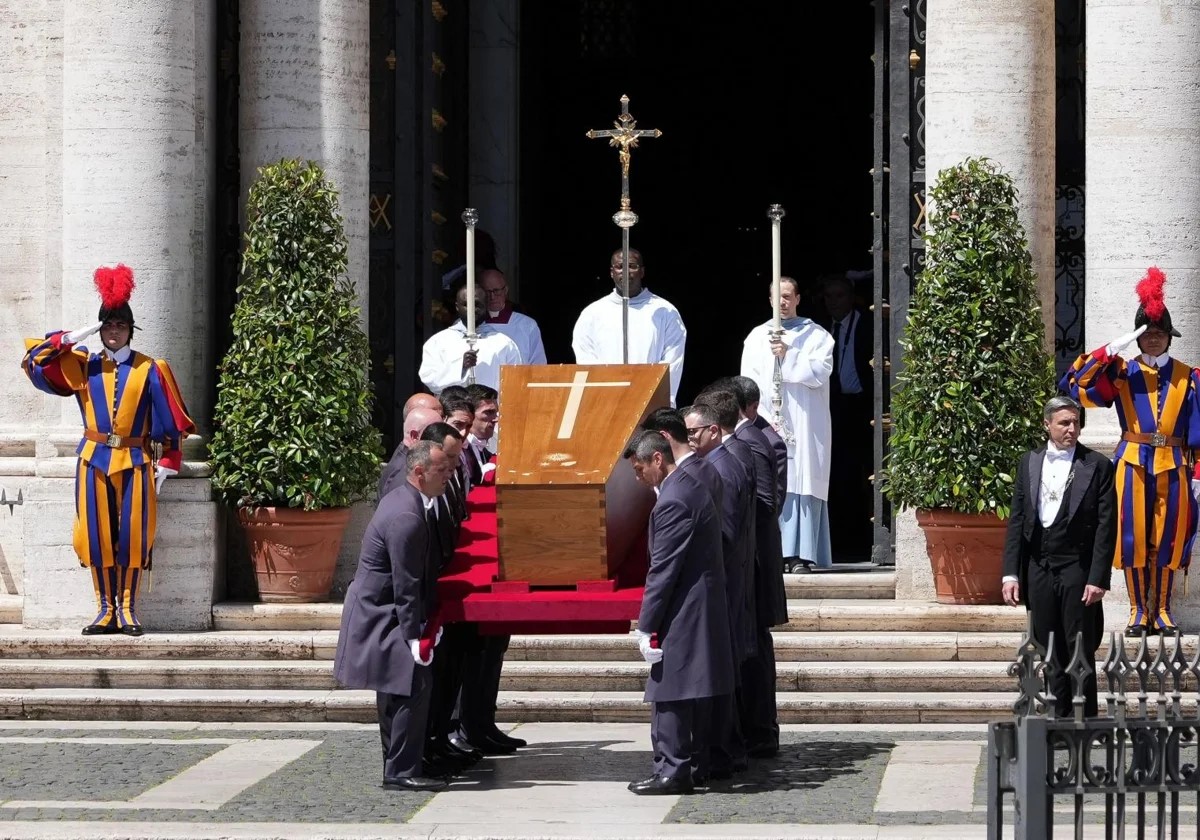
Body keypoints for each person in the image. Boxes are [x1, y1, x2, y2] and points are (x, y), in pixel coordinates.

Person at [22, 264, 196, 636]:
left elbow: (171, 421)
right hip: (94, 459)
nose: (113, 332)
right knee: (96, 535)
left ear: (130, 329)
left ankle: (128, 608)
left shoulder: (152, 368)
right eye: (107, 326)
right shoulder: (82, 366)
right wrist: (74, 335)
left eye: (119, 325)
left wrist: (168, 462)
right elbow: (34, 361)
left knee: (134, 535)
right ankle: (105, 609)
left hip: (136, 460)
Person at [1061, 267, 1200, 635]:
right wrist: (1110, 349)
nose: (1153, 340)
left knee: (1169, 537)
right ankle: (1140, 610)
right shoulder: (1122, 371)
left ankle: (1164, 611)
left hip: (1174, 465)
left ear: (1169, 337)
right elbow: (1076, 387)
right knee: (1133, 536)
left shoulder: (1190, 376)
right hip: (1133, 463)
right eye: (1147, 334)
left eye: (1159, 333)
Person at [333, 440, 450, 790]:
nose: (448, 476)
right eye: (441, 471)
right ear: (419, 472)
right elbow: (406, 581)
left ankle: (397, 766)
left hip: (383, 609)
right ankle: (401, 771)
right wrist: (415, 636)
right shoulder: (407, 515)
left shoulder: (407, 501)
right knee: (412, 685)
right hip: (383, 612)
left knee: (396, 687)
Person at [623, 431, 734, 795]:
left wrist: (646, 624)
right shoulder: (688, 483)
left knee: (668, 689)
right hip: (698, 602)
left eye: (640, 469)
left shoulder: (673, 499)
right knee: (691, 688)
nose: (638, 478)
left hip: (684, 607)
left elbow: (663, 569)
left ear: (658, 459)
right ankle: (693, 764)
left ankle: (672, 770)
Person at [1001, 397, 1116, 716]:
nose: (1072, 428)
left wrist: (1098, 578)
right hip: (1039, 566)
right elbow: (1017, 519)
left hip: (1077, 568)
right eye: (1064, 422)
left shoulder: (1098, 465)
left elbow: (1107, 527)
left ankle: (1084, 718)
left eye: (1076, 422)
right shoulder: (1029, 462)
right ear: (1047, 424)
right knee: (1046, 644)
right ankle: (1055, 717)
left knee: (1079, 644)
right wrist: (1010, 573)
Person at [693, 386, 785, 758]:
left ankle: (759, 732)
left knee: (753, 652)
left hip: (753, 567)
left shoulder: (751, 444)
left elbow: (766, 503)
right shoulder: (740, 443)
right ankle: (751, 730)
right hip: (748, 567)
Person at [740, 275, 835, 572]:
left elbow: (821, 371)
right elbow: (748, 381)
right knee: (773, 480)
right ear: (769, 300)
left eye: (787, 296)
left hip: (807, 422)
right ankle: (774, 553)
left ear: (797, 299)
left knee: (803, 479)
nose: (782, 302)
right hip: (771, 418)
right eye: (776, 297)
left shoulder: (816, 335)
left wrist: (789, 354)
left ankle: (802, 554)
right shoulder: (757, 337)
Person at [682, 401, 756, 780]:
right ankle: (721, 750)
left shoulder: (721, 468)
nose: (689, 439)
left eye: (693, 432)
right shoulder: (719, 462)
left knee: (718, 675)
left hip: (722, 583)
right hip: (726, 581)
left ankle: (721, 751)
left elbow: (724, 534)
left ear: (713, 430)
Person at [572, 249, 688, 406]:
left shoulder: (665, 311)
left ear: (642, 272)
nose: (625, 271)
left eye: (632, 266)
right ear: (612, 272)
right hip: (605, 403)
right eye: (620, 266)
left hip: (650, 404)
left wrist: (655, 399)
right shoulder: (592, 313)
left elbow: (672, 362)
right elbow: (586, 360)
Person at [820, 272, 875, 560]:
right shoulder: (819, 329)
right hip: (833, 408)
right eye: (829, 296)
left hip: (864, 407)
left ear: (852, 297)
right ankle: (838, 540)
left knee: (863, 472)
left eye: (839, 295)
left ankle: (864, 540)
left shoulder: (867, 322)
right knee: (836, 474)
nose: (834, 302)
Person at [419, 279, 521, 395]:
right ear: (457, 306)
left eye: (477, 304)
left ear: (486, 305)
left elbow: (515, 382)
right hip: (454, 410)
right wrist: (460, 366)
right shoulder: (439, 341)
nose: (472, 310)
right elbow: (429, 378)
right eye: (466, 304)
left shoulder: (504, 343)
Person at [731, 375, 787, 509]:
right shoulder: (721, 428)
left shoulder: (772, 442)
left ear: (755, 407)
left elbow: (775, 500)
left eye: (738, 409)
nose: (731, 413)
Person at [378, 405, 443, 500]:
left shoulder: (410, 459)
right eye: (435, 433)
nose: (442, 440)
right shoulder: (405, 474)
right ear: (415, 436)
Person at [482, 269, 546, 365]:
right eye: (487, 292)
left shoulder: (527, 325)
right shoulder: (470, 325)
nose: (492, 297)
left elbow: (538, 365)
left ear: (506, 290)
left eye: (496, 291)